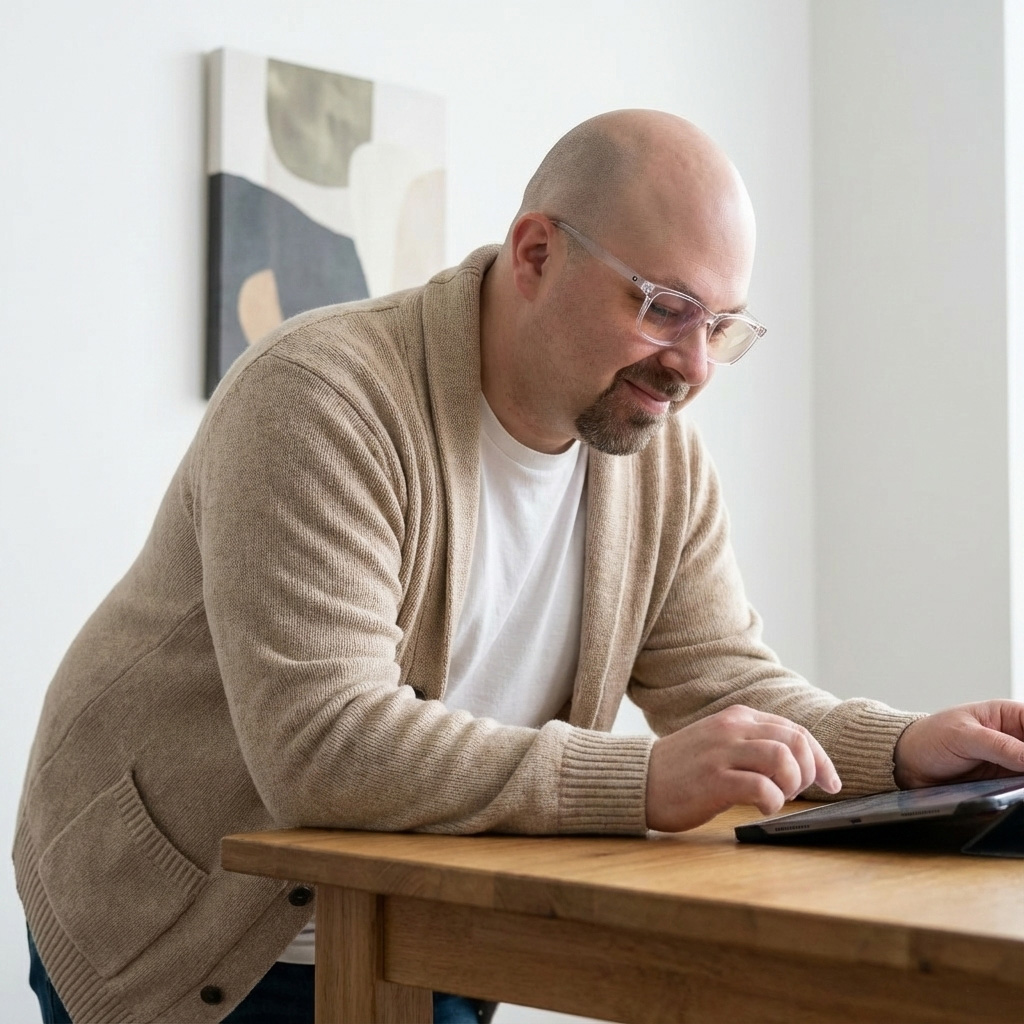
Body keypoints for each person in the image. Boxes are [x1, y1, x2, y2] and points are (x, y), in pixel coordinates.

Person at [15, 109, 1024, 1024]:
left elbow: (721, 678)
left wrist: (899, 750)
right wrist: (638, 779)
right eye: (665, 306)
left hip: (427, 911)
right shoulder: (320, 398)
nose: (694, 365)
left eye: (718, 324)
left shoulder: (656, 452)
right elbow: (322, 745)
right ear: (536, 251)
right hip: (174, 925)